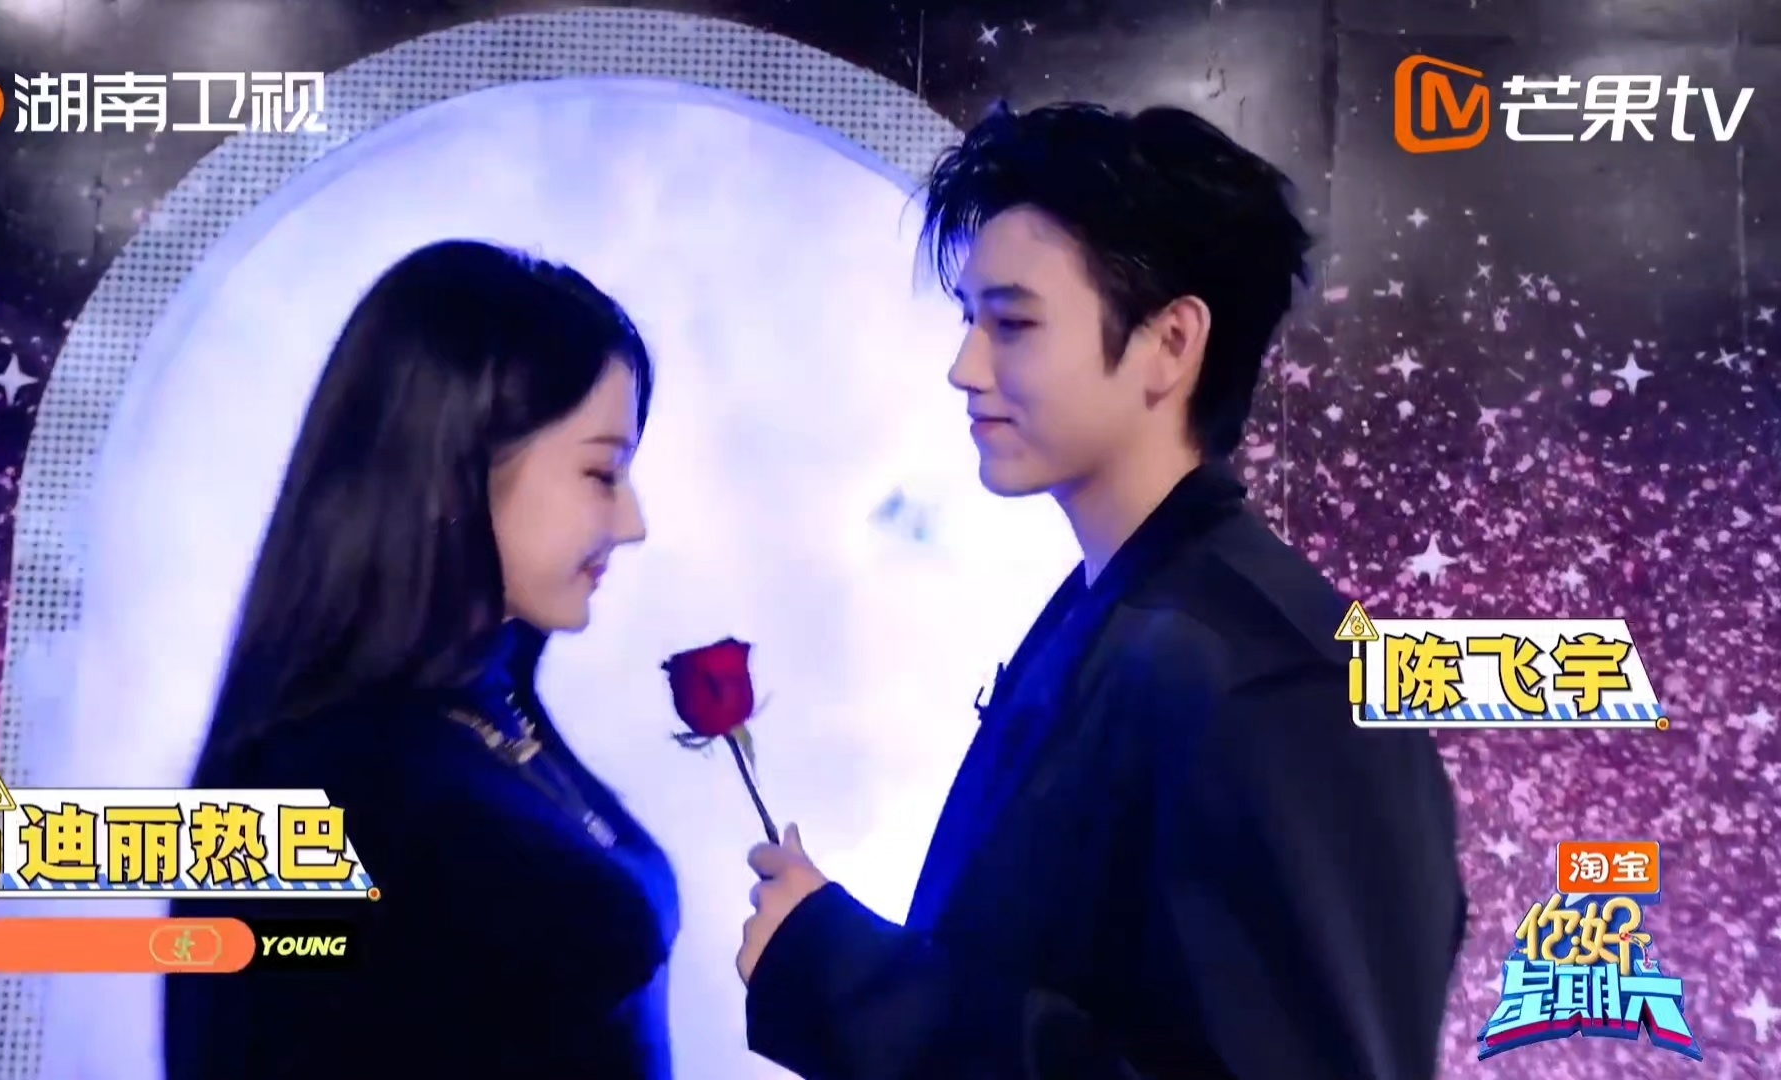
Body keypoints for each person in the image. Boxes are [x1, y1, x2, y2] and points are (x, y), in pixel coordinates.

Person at [737, 104, 1467, 1079]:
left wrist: (841, 976)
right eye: (969, 321)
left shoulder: (1269, 678)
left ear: (1172, 342)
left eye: (1014, 324)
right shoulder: (1123, 612)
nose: (964, 368)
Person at [164, 240, 676, 1078]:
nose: (632, 523)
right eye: (601, 473)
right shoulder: (309, 787)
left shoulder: (491, 709)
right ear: (458, 467)